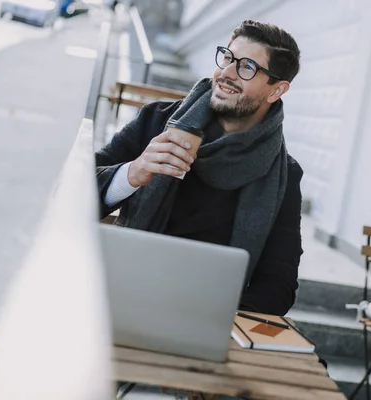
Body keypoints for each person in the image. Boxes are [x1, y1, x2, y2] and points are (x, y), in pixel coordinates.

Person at [95, 20, 302, 316]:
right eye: (227, 58)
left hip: (206, 315)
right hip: (122, 293)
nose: (226, 73)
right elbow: (75, 193)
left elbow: (279, 283)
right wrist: (131, 174)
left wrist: (215, 321)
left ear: (276, 90)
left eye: (246, 67)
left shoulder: (284, 174)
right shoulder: (156, 122)